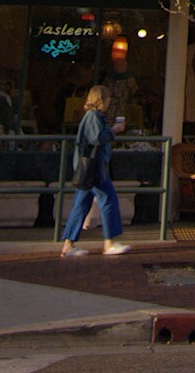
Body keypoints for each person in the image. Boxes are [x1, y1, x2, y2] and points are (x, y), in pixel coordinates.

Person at [60, 84, 130, 257]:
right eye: (107, 99)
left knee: (81, 204)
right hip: (94, 168)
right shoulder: (93, 116)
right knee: (108, 199)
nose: (109, 102)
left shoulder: (91, 116)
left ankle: (68, 244)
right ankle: (109, 242)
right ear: (101, 100)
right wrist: (114, 130)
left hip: (87, 169)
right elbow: (97, 138)